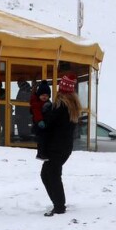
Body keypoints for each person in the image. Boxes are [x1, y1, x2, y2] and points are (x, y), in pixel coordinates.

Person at [38, 73, 81, 216]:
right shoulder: (72, 105)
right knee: (50, 174)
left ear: (61, 89)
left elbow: (49, 125)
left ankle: (59, 207)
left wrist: (43, 115)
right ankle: (58, 204)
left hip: (56, 147)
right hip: (64, 147)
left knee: (49, 175)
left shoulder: (61, 106)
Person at [30, 80, 50, 159]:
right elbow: (37, 113)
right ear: (39, 95)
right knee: (42, 139)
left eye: (46, 95)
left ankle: (44, 153)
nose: (44, 97)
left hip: (44, 124)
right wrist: (40, 121)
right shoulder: (36, 104)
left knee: (45, 139)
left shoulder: (47, 103)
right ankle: (41, 154)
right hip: (39, 125)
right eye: (42, 95)